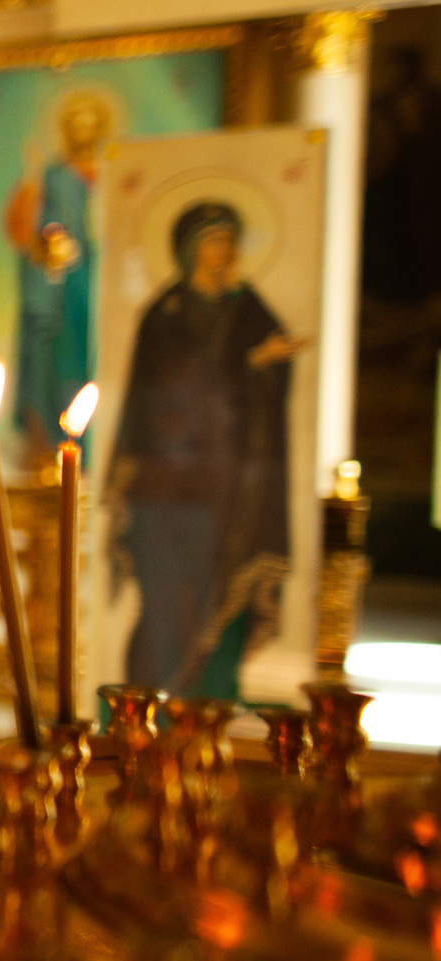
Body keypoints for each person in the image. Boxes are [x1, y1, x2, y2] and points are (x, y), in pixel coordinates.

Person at [109, 200, 306, 696]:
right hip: (167, 488)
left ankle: (204, 707)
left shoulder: (247, 305)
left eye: (231, 241)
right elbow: (165, 397)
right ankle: (147, 703)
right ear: (192, 250)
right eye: (216, 241)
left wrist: (267, 363)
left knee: (217, 597)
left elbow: (270, 373)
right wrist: (249, 364)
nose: (227, 251)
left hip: (227, 487)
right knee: (169, 602)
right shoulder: (167, 314)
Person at [1, 93, 106, 460]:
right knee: (53, 357)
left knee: (95, 354)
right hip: (58, 286)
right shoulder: (53, 176)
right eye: (75, 125)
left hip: (98, 281)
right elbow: (24, 230)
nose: (83, 132)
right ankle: (48, 440)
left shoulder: (112, 174)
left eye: (90, 124)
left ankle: (91, 452)